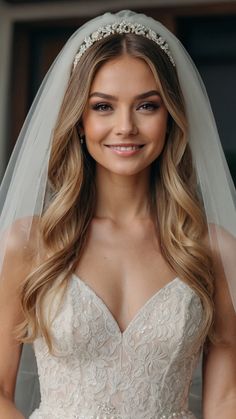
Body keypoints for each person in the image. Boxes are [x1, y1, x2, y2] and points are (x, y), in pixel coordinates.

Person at [0, 9, 235, 419]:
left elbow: (225, 400)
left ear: (171, 118)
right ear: (79, 120)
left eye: (146, 106)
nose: (125, 126)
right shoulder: (32, 242)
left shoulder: (211, 248)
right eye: (103, 107)